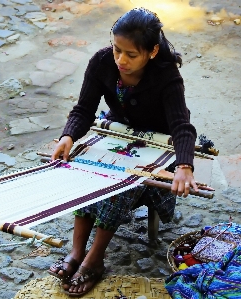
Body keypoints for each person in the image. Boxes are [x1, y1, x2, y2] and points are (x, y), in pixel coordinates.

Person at [47, 8, 199, 297]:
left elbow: (182, 127)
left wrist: (184, 166)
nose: (121, 60)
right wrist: (68, 136)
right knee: (87, 168)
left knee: (121, 185)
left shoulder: (167, 78)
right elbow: (83, 110)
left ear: (152, 51)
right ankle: (77, 252)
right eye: (117, 50)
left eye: (131, 54)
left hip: (159, 151)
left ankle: (95, 260)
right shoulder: (102, 62)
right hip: (119, 135)